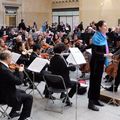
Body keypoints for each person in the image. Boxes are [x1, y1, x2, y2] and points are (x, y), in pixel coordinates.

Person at [0, 50, 33, 120]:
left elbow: (10, 78)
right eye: (11, 57)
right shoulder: (5, 70)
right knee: (29, 97)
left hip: (3, 90)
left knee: (22, 92)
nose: (11, 59)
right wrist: (20, 71)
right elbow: (19, 81)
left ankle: (13, 113)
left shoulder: (2, 66)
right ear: (7, 58)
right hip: (4, 96)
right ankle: (23, 118)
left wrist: (15, 71)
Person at [88, 20, 113, 111]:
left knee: (98, 82)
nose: (106, 27)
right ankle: (90, 102)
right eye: (105, 26)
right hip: (95, 62)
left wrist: (107, 54)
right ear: (99, 27)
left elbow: (103, 49)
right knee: (93, 82)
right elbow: (94, 53)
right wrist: (106, 55)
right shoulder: (95, 37)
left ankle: (96, 99)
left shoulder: (103, 36)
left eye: (106, 26)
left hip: (101, 62)